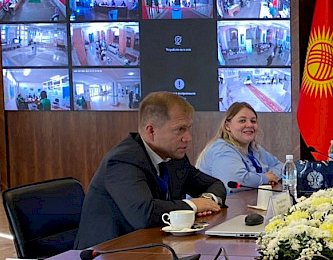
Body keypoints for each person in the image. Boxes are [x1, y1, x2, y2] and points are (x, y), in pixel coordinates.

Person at [74, 92, 226, 249]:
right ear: (151, 131)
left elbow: (214, 184)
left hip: (155, 246)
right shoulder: (123, 160)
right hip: (105, 254)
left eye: (188, 129)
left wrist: (207, 200)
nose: (188, 138)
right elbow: (144, 214)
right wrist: (193, 206)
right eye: (180, 130)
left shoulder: (175, 157)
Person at [197, 102, 282, 193]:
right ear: (227, 126)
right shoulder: (222, 149)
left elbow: (282, 167)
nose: (249, 125)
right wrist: (265, 178)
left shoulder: (255, 149)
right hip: (217, 202)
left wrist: (271, 177)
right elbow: (235, 181)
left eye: (253, 121)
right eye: (242, 121)